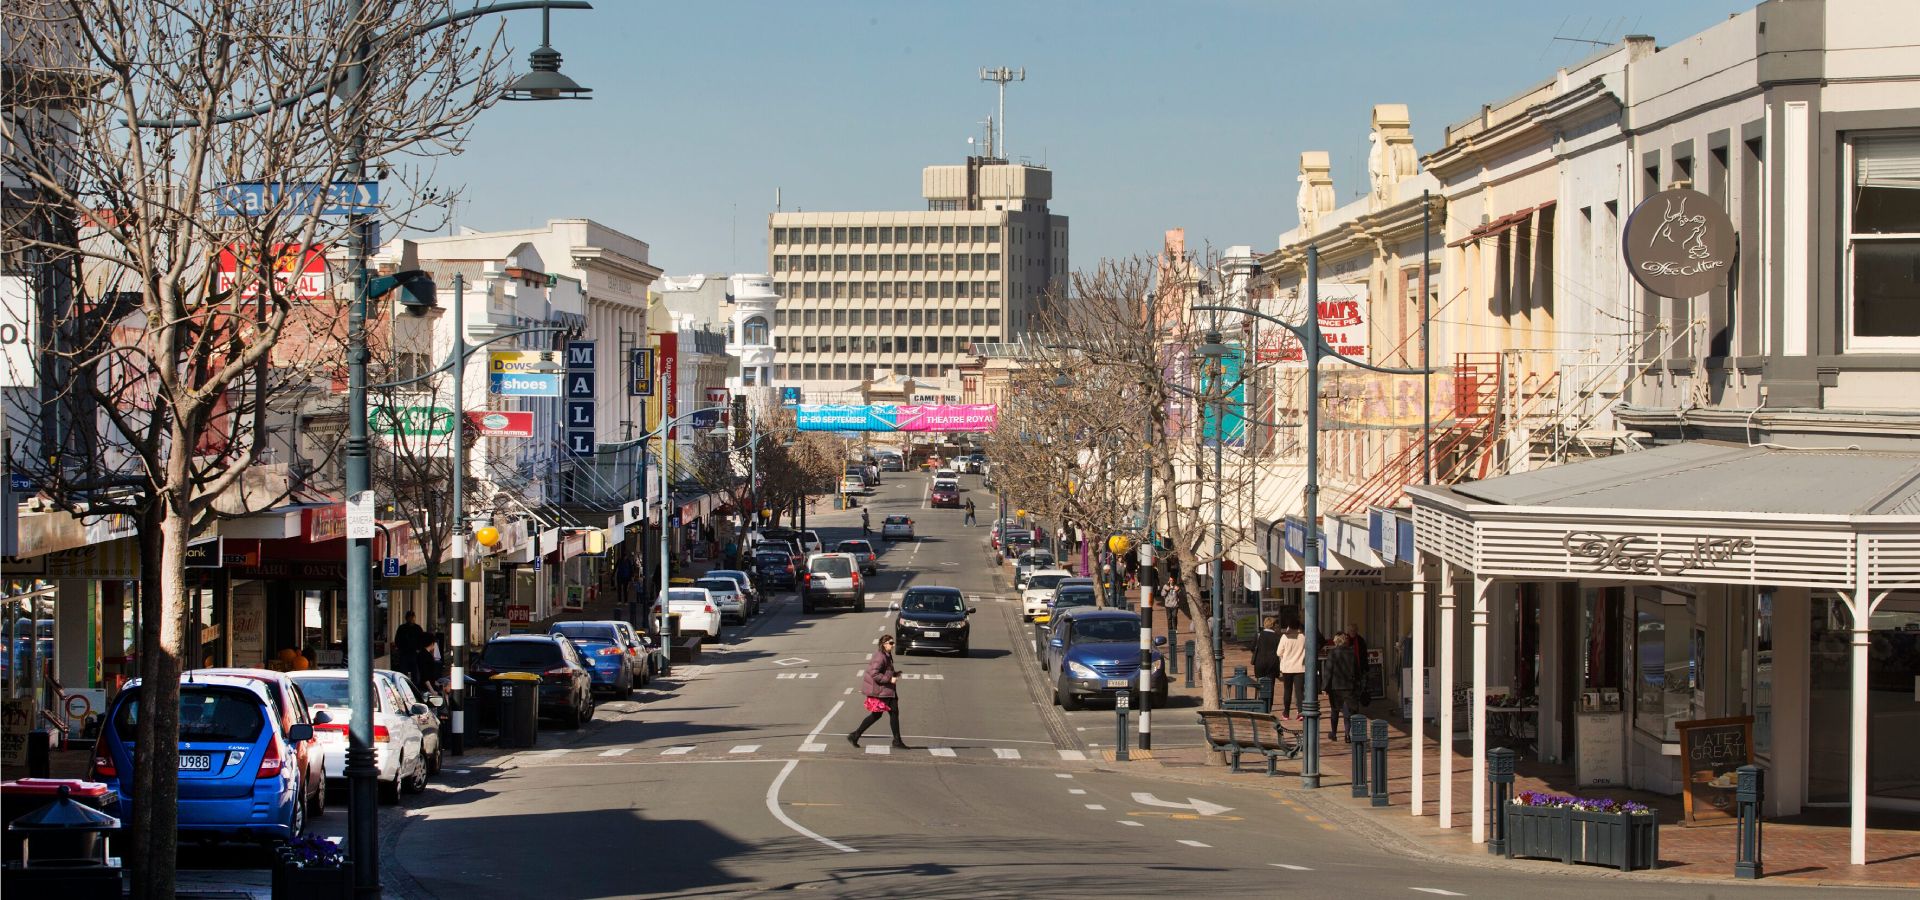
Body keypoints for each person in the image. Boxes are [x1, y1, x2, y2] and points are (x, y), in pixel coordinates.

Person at [848, 635, 907, 748]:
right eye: (891, 643)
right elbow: (874, 674)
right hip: (882, 690)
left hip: (888, 690)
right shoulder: (880, 657)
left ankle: (856, 735)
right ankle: (855, 735)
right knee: (881, 714)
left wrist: (894, 674)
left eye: (893, 643)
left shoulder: (887, 655)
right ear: (884, 644)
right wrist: (890, 679)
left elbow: (885, 671)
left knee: (888, 713)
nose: (893, 645)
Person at [1325, 632, 1359, 740]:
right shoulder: (1351, 653)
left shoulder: (1332, 653)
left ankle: (1334, 733)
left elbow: (1328, 671)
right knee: (1347, 711)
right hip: (1349, 686)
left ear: (1336, 641)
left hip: (1335, 686)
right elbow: (1356, 670)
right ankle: (1347, 734)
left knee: (1335, 710)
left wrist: (1325, 687)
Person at [1276, 618, 1307, 720]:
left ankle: (1286, 712)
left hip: (1287, 668)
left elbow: (1278, 652)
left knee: (1287, 690)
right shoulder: (1303, 637)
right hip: (1300, 668)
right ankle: (1301, 711)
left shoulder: (1285, 637)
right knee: (1299, 691)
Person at [1251, 616, 1281, 708]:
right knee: (1271, 685)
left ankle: (1260, 703)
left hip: (1260, 662)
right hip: (1272, 663)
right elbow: (1279, 650)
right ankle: (1269, 705)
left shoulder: (1259, 635)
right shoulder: (1277, 636)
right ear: (1273, 625)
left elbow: (1252, 647)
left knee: (1260, 683)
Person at [392, 611, 426, 688]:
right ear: (407, 618)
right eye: (410, 618)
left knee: (416, 673)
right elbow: (397, 640)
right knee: (403, 672)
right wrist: (400, 649)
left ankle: (415, 687)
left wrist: (419, 649)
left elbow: (422, 640)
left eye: (413, 618)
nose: (411, 619)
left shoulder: (417, 628)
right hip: (404, 653)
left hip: (414, 654)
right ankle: (404, 686)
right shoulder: (402, 628)